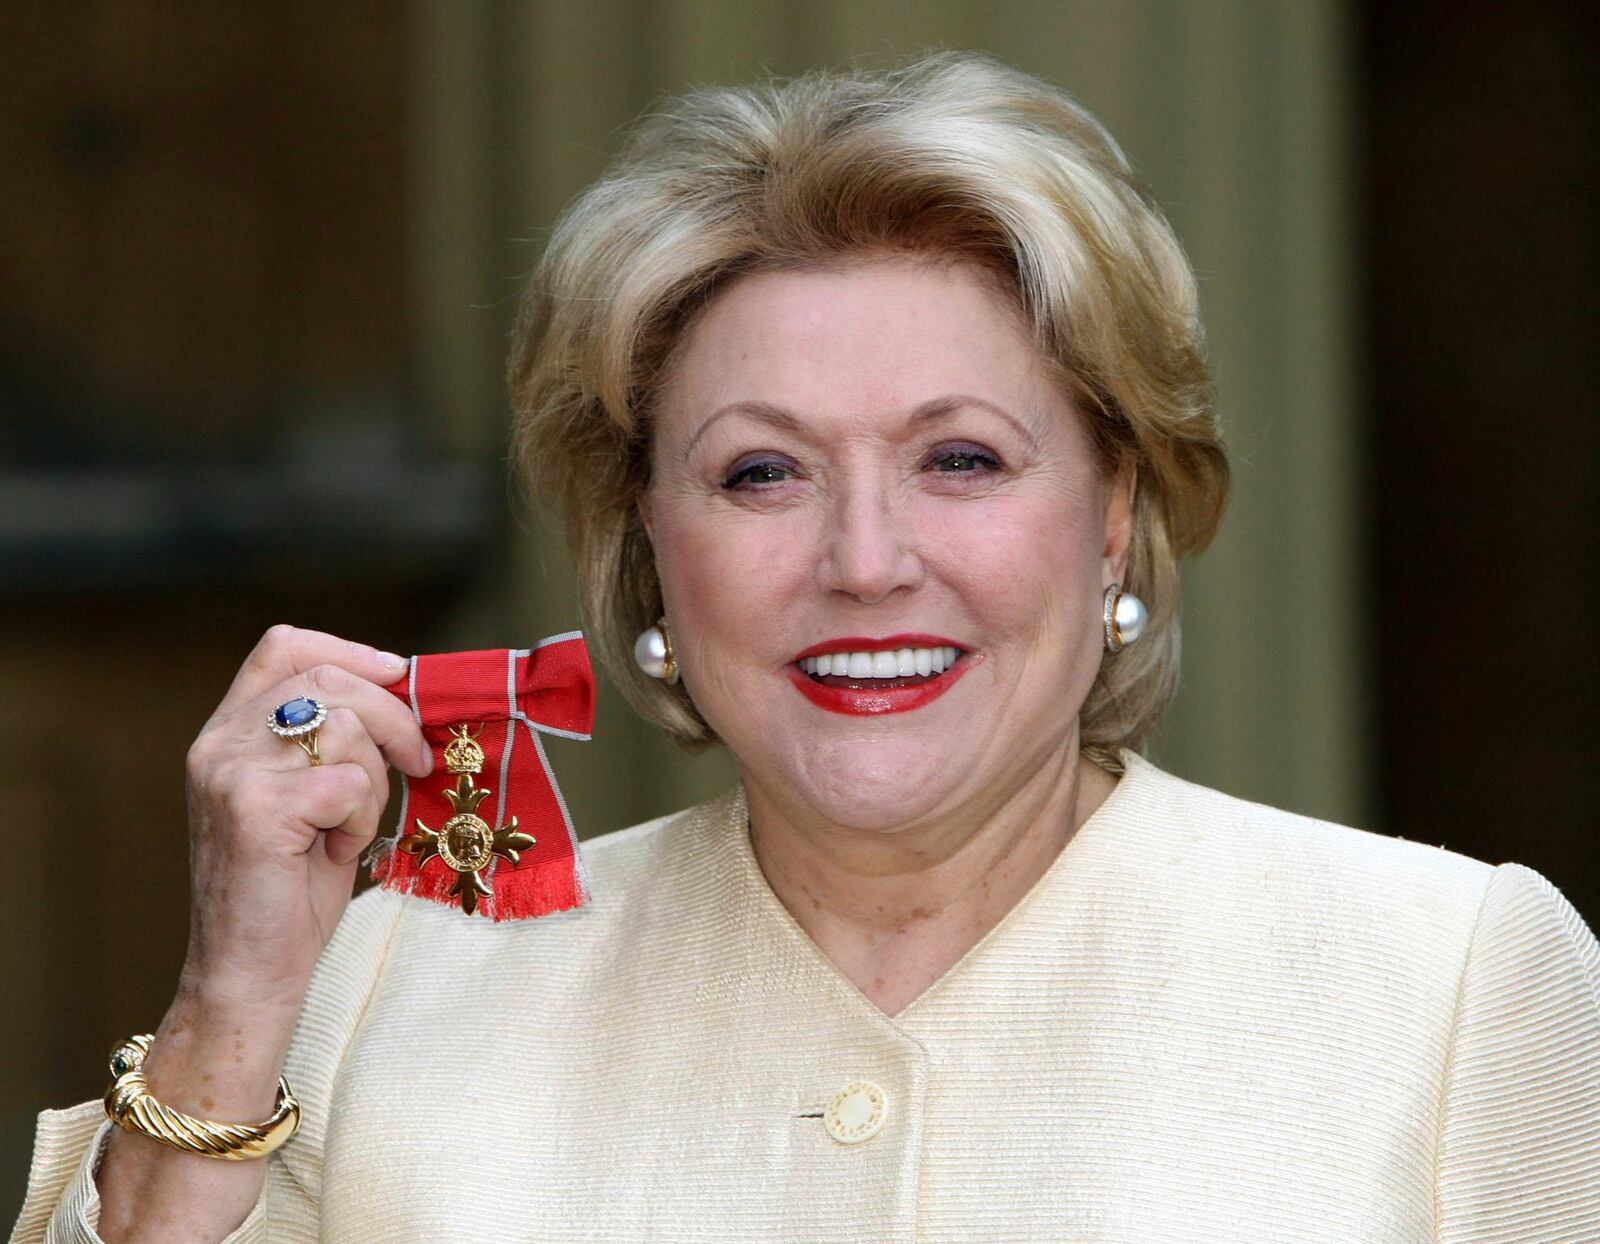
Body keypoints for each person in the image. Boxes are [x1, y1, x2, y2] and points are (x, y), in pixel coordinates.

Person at [13, 52, 1599, 1243]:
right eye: (761, 472)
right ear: (648, 546)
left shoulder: (1454, 984)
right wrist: (235, 1002)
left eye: (961, 459)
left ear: (1114, 510)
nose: (863, 561)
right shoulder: (389, 989)